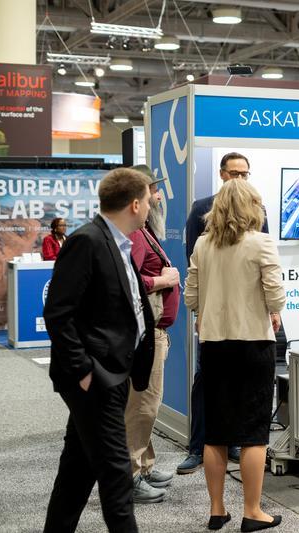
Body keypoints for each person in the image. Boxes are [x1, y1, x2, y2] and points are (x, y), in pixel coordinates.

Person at [43, 168, 155, 533]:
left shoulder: (120, 242)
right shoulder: (87, 241)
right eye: (150, 198)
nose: (154, 203)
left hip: (114, 372)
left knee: (77, 471)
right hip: (96, 377)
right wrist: (83, 371)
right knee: (115, 474)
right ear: (135, 204)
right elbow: (58, 312)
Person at [184, 179, 286, 531]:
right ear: (252, 207)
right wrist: (274, 310)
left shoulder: (202, 244)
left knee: (216, 431)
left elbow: (191, 297)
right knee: (253, 431)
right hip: (254, 344)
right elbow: (275, 296)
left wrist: (204, 316)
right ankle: (253, 511)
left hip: (213, 344)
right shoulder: (261, 243)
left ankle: (216, 510)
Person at [178, 151, 271, 474]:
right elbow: (194, 264)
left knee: (244, 386)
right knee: (207, 382)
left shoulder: (258, 208)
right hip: (213, 316)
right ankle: (197, 445)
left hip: (249, 317)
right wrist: (199, 312)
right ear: (222, 174)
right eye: (234, 173)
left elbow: (264, 266)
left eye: (245, 173)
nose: (240, 179)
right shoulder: (201, 209)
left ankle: (235, 441)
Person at [124, 165, 181, 504]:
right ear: (139, 199)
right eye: (153, 193)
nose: (159, 197)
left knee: (145, 406)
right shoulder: (135, 235)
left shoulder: (145, 231)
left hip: (155, 332)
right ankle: (130, 475)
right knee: (142, 407)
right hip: (147, 335)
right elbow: (128, 282)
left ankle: (144, 466)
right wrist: (164, 281)